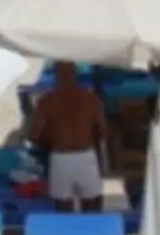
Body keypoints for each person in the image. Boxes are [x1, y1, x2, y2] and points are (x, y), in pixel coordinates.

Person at [29, 61, 107, 213]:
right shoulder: (90, 99)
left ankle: (68, 234)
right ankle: (92, 234)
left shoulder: (47, 101)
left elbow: (35, 135)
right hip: (85, 155)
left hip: (60, 157)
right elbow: (103, 132)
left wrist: (53, 133)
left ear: (56, 76)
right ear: (76, 75)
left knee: (63, 208)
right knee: (92, 205)